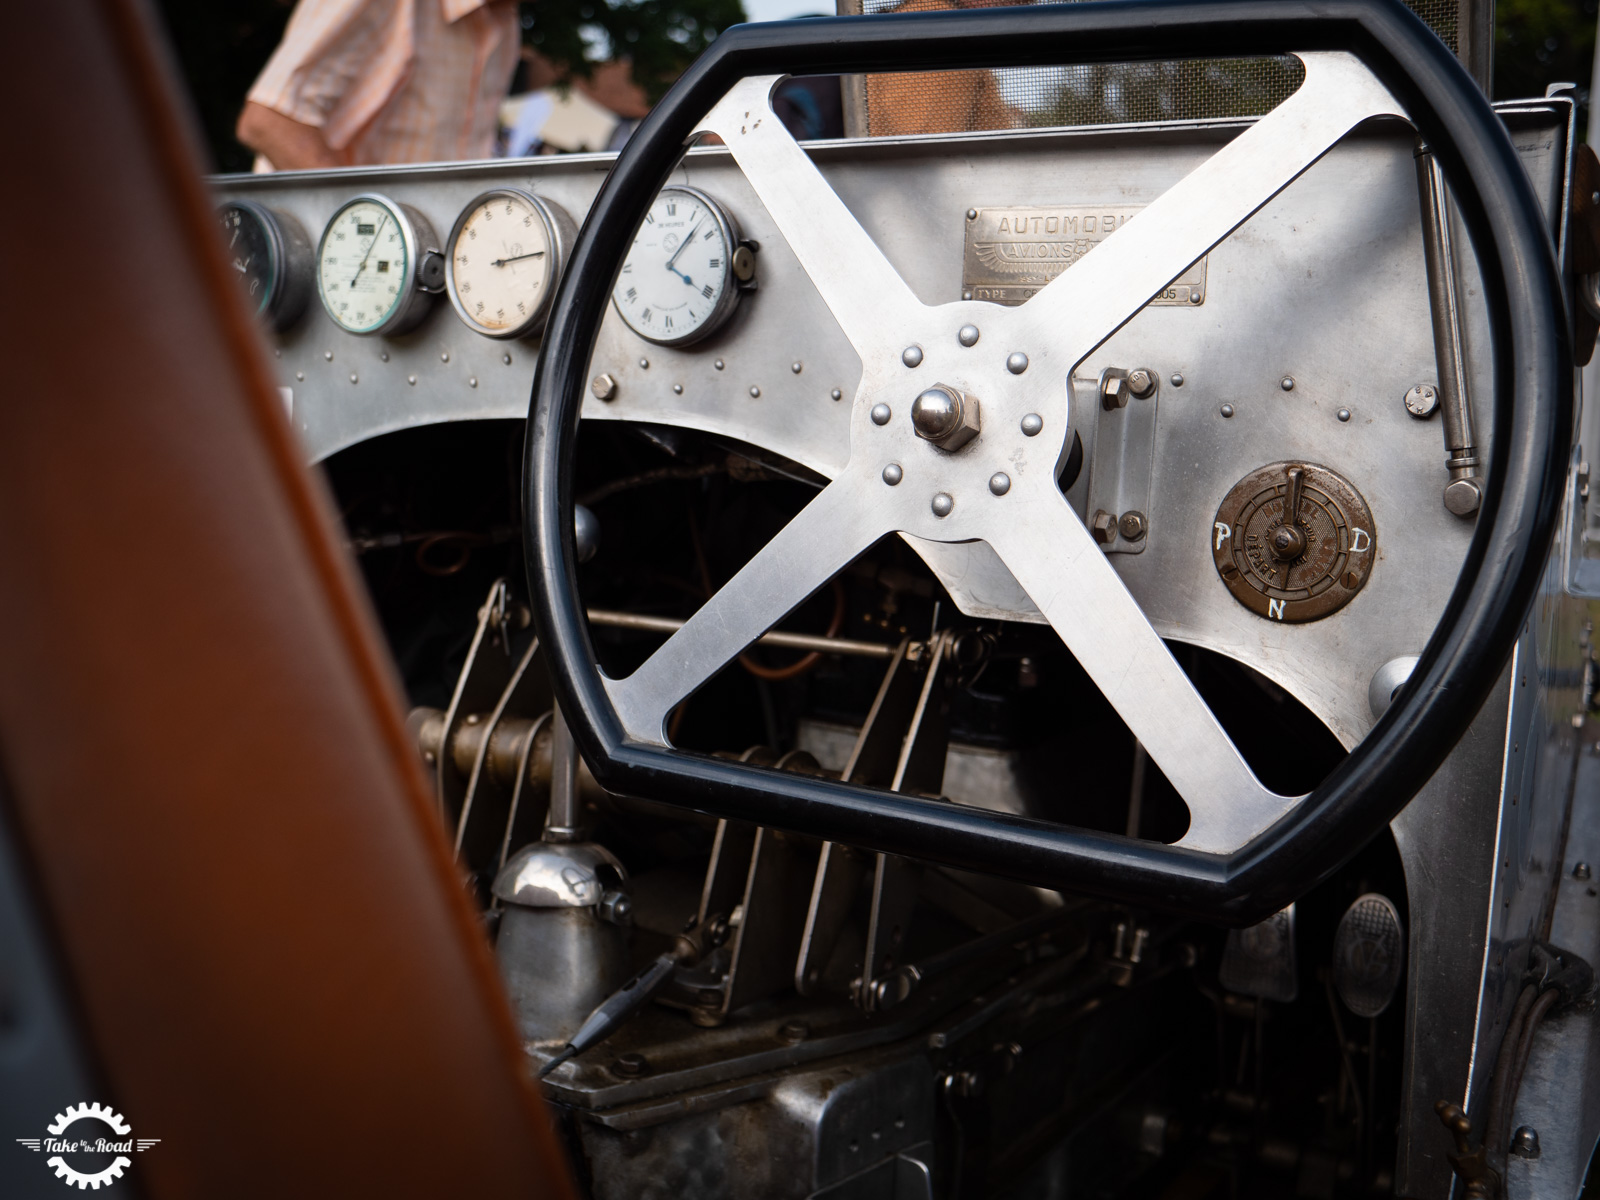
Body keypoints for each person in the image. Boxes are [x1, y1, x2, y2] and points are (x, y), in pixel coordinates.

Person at [237, 0, 521, 170]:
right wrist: (370, 230)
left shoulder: (506, 25)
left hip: (426, 259)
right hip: (324, 256)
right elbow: (270, 121)